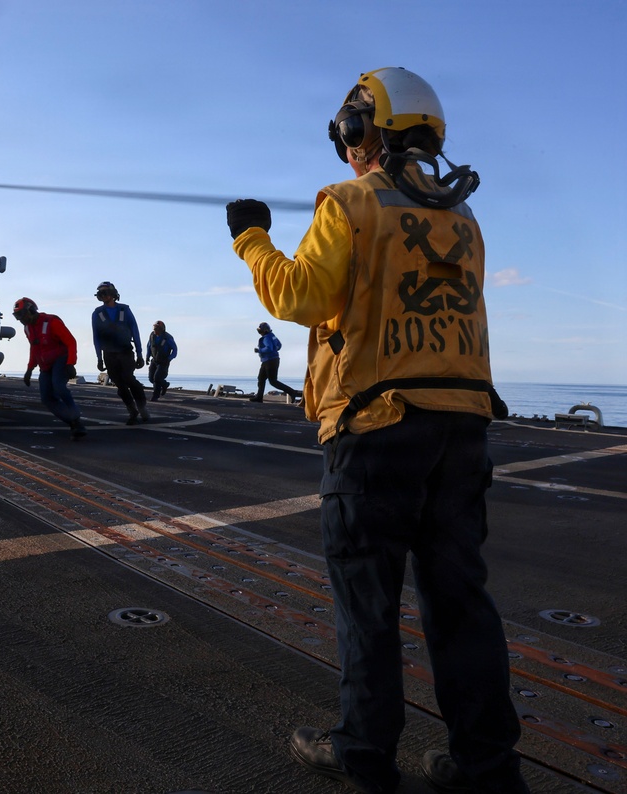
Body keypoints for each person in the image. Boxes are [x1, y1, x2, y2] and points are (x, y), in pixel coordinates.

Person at [226, 67, 526, 794]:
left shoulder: (352, 203)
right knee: (461, 604)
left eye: (348, 134)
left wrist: (251, 239)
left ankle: (363, 754)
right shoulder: (464, 218)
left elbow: (300, 295)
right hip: (462, 431)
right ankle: (486, 767)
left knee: (368, 604)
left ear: (363, 132)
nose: (346, 148)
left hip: (377, 429)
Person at [13, 297, 87, 439]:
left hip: (60, 360)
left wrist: (71, 363)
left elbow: (70, 342)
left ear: (31, 310)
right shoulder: (28, 328)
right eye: (18, 316)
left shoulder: (52, 322)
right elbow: (34, 349)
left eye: (22, 314)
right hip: (45, 365)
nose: (20, 319)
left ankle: (75, 419)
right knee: (46, 398)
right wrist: (29, 369)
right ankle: (73, 422)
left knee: (58, 386)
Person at [91, 281, 149, 424]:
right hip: (109, 354)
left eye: (105, 292)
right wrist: (99, 358)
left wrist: (140, 354)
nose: (103, 296)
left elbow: (135, 330)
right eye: (101, 293)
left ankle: (142, 408)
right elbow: (96, 337)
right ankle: (132, 411)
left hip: (125, 351)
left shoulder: (125, 310)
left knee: (128, 379)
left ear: (113, 294)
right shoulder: (97, 313)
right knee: (120, 385)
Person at [250, 321, 301, 404]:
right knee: (261, 379)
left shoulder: (266, 338)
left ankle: (292, 392)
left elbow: (269, 348)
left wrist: (259, 350)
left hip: (270, 361)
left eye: (260, 331)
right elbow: (279, 345)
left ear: (265, 330)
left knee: (273, 381)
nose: (260, 333)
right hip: (269, 360)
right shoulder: (272, 336)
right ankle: (259, 397)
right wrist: (274, 350)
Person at [145, 320, 177, 401]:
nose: (155, 330)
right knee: (151, 379)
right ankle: (165, 384)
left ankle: (155, 396)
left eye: (157, 328)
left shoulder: (168, 338)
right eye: (154, 328)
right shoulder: (152, 336)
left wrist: (169, 358)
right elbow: (149, 346)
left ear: (162, 329)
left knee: (157, 378)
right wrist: (147, 356)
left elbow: (175, 349)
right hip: (154, 360)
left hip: (163, 361)